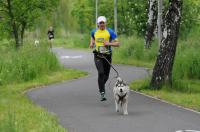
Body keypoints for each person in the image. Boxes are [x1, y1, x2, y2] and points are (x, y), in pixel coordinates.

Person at [89, 16, 120, 101]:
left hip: (107, 56)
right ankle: (102, 92)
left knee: (106, 76)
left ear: (105, 23)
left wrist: (109, 43)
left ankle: (101, 86)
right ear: (97, 24)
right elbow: (92, 37)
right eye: (100, 23)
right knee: (101, 73)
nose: (102, 24)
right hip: (98, 55)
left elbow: (118, 43)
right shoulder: (94, 31)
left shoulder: (110, 32)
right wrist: (91, 43)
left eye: (103, 23)